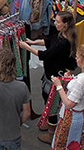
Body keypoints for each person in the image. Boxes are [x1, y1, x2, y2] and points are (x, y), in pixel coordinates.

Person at [19, 11, 77, 143]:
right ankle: (49, 124)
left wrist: (28, 47)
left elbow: (46, 54)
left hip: (55, 78)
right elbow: (48, 41)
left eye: (58, 21)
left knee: (52, 105)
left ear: (65, 25)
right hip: (50, 75)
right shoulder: (61, 35)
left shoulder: (64, 43)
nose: (55, 23)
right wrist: (33, 41)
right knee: (48, 100)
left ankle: (52, 134)